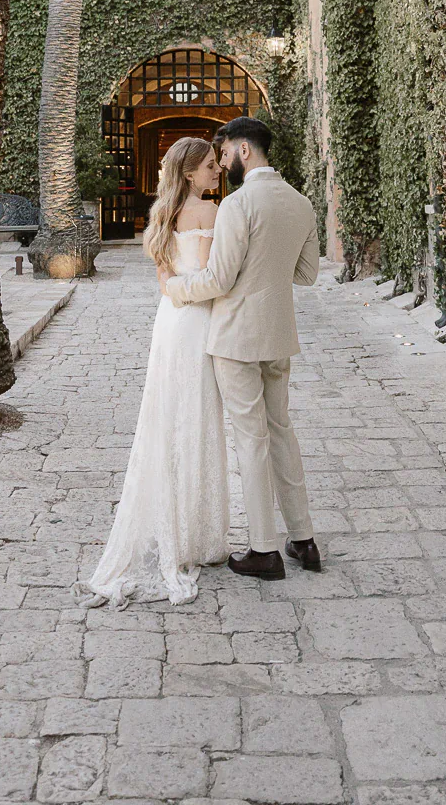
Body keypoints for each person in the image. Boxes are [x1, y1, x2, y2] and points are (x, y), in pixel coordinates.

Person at [160, 116, 321, 580]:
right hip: (278, 336)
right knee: (281, 431)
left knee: (251, 439)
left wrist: (175, 289)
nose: (223, 161)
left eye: (226, 152)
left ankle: (264, 550)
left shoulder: (237, 204)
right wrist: (266, 268)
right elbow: (306, 274)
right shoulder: (301, 203)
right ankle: (304, 540)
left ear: (244, 150)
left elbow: (218, 279)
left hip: (235, 339)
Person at [84, 136, 230, 606]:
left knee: (168, 420)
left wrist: (181, 290)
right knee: (198, 420)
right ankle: (195, 536)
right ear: (189, 173)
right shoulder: (211, 214)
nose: (216, 171)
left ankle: (178, 526)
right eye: (209, 166)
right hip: (197, 322)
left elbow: (166, 284)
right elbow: (214, 280)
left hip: (169, 323)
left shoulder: (161, 216)